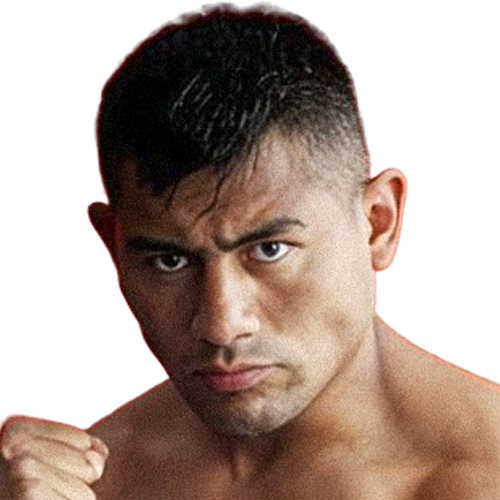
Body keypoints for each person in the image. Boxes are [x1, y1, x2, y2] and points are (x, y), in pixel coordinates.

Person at [2, 6, 500, 499]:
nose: (221, 326)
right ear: (114, 243)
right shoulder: (99, 480)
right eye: (170, 261)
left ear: (377, 224)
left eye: (269, 249)